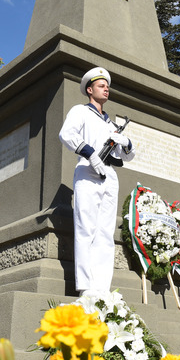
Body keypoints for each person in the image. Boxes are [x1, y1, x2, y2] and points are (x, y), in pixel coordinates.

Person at [59, 67, 134, 296]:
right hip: (88, 171)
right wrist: (91, 154)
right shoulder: (80, 111)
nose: (106, 89)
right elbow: (67, 134)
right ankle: (86, 288)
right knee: (86, 229)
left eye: (107, 86)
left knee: (105, 232)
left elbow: (125, 157)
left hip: (109, 175)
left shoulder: (110, 123)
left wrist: (126, 142)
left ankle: (102, 287)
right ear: (90, 90)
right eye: (102, 86)